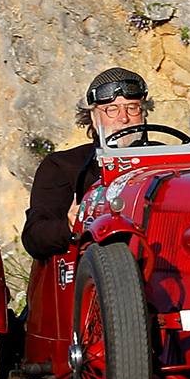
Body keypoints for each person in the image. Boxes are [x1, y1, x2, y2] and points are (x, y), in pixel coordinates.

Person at [21, 67, 149, 261]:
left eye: (132, 108)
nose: (124, 118)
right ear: (94, 117)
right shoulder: (64, 166)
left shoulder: (168, 163)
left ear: (143, 113)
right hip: (92, 276)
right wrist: (69, 225)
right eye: (111, 109)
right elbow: (34, 237)